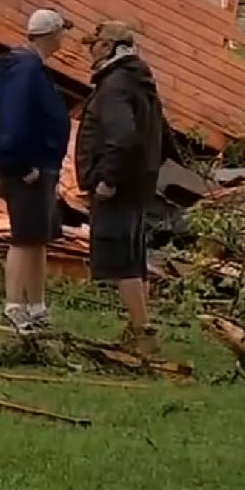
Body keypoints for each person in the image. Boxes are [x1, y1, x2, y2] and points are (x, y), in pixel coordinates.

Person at [75, 21, 180, 356]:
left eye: (95, 44)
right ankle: (139, 325)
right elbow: (164, 136)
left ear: (108, 47)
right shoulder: (140, 81)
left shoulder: (115, 86)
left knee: (121, 261)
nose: (90, 50)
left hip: (119, 187)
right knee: (134, 258)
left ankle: (142, 333)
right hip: (139, 185)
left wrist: (108, 180)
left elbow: (122, 138)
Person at [0, 8, 73, 335]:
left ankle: (37, 306)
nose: (63, 37)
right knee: (24, 237)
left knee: (39, 237)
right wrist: (22, 166)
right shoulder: (26, 70)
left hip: (42, 167)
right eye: (61, 32)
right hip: (29, 169)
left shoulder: (34, 69)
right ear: (51, 34)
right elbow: (13, 120)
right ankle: (14, 305)